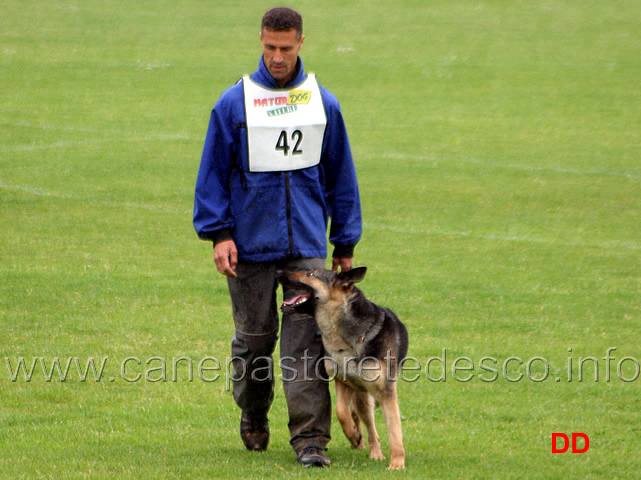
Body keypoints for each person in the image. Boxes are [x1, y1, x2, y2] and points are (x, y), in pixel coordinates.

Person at [193, 7, 362, 468]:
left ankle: (310, 442)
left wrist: (344, 244)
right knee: (254, 342)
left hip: (306, 247)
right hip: (249, 245)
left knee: (305, 346)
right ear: (260, 41)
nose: (277, 57)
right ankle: (252, 409)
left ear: (301, 43)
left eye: (286, 48)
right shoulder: (234, 104)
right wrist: (220, 234)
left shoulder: (323, 104)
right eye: (269, 47)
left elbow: (341, 176)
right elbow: (213, 173)